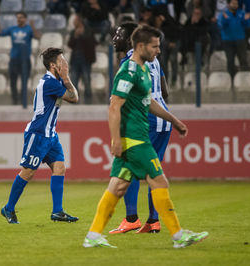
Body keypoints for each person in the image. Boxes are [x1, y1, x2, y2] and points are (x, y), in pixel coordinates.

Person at [83, 25, 208, 248]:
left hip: (136, 138)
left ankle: (92, 235)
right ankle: (178, 236)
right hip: (135, 139)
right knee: (159, 181)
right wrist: (116, 139)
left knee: (117, 187)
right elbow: (114, 106)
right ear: (140, 46)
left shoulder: (142, 70)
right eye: (154, 46)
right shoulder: (129, 70)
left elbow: (149, 101)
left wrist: (174, 120)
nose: (158, 50)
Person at [1, 48, 79, 224]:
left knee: (59, 168)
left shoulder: (55, 81)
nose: (65, 65)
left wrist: (65, 77)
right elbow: (74, 98)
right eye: (62, 62)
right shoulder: (50, 83)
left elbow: (74, 96)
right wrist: (66, 78)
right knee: (28, 173)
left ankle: (57, 212)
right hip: (38, 134)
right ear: (53, 66)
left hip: (51, 135)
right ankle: (8, 208)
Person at [108, 22, 171, 235]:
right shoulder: (153, 60)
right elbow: (164, 90)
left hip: (146, 123)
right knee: (154, 170)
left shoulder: (129, 63)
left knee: (127, 168)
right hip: (163, 122)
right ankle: (153, 221)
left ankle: (131, 218)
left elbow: (120, 101)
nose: (114, 38)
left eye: (119, 34)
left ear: (130, 40)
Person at [0, 12, 41, 106]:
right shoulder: (13, 29)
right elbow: (0, 33)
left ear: (25, 19)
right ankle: (15, 101)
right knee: (13, 82)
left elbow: (38, 37)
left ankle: (23, 102)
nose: (19, 19)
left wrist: (33, 27)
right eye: (18, 18)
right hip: (14, 59)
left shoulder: (29, 29)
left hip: (25, 60)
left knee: (24, 82)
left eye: (21, 18)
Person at [67, 15, 97, 104]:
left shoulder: (89, 31)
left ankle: (88, 101)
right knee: (74, 80)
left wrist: (83, 35)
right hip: (75, 58)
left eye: (75, 20)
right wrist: (75, 36)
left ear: (79, 21)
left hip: (85, 59)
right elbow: (70, 44)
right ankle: (75, 100)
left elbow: (93, 43)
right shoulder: (73, 32)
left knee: (87, 80)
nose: (73, 23)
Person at [218, 0, 250, 78]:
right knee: (230, 61)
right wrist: (226, 19)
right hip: (227, 41)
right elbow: (221, 26)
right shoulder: (223, 14)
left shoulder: (242, 13)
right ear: (228, 4)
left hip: (240, 40)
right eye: (233, 3)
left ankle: (244, 79)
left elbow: (248, 26)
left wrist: (245, 20)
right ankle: (231, 80)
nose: (235, 5)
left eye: (236, 4)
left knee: (243, 60)